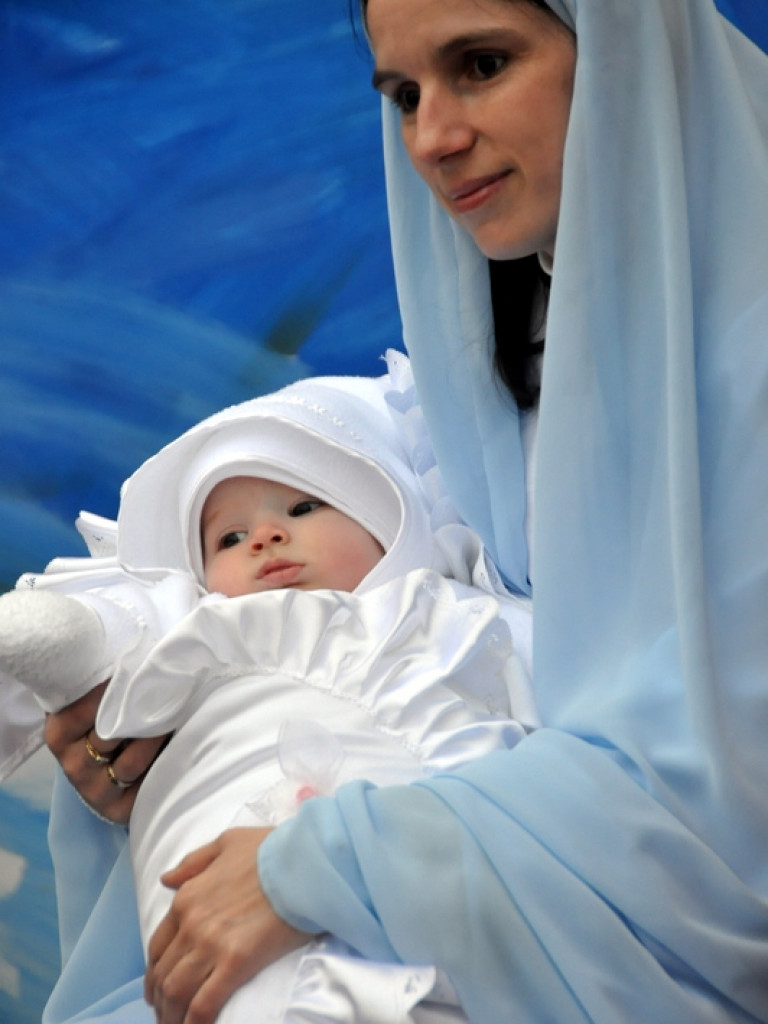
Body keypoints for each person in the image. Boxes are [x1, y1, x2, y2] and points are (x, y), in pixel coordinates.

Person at [32, 0, 768, 1021]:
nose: (433, 136)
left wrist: (327, 863)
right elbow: (399, 629)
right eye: (404, 93)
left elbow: (732, 819)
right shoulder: (480, 401)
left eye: (482, 63)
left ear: (628, 47)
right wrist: (155, 735)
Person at [0, 365, 531, 1023]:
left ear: (389, 517)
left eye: (303, 506)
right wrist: (68, 642)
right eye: (228, 537)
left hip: (417, 865)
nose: (265, 536)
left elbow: (550, 712)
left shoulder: (454, 618)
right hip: (215, 904)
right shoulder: (207, 635)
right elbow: (122, 630)